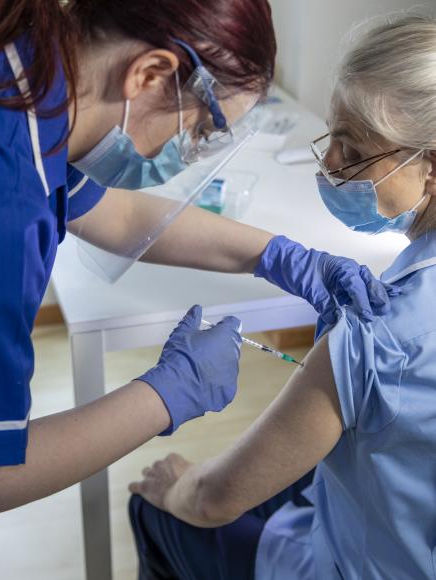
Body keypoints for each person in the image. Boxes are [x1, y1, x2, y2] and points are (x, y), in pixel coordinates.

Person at [0, 1, 395, 578]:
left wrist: (278, 255)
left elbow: (115, 216)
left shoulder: (19, 76)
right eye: (201, 128)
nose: (190, 147)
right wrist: (167, 393)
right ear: (148, 74)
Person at [128, 13, 436, 580]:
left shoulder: (380, 327)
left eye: (355, 149)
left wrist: (173, 481)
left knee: (154, 505)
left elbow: (212, 499)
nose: (330, 165)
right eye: (331, 135)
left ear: (430, 168)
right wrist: (280, 256)